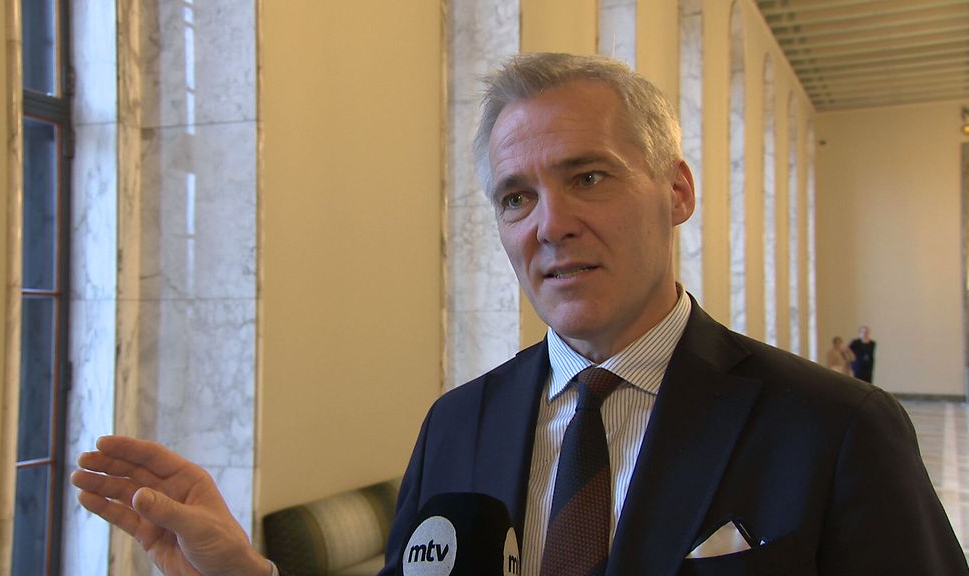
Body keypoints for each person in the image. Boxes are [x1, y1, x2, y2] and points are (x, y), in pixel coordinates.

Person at [73, 53, 966, 575]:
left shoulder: (836, 428)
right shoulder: (457, 426)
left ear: (677, 191)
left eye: (588, 176)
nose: (550, 224)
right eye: (514, 198)